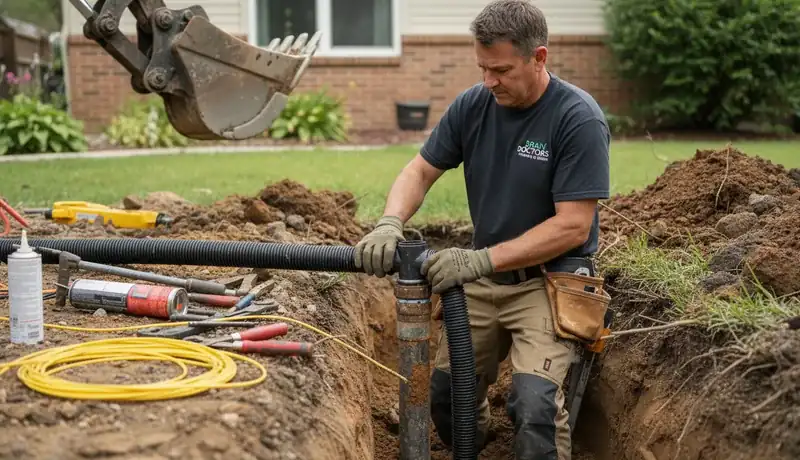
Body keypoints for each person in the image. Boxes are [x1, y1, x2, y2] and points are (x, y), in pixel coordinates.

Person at [353, 0, 611, 459]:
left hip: (549, 281)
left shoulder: (577, 118)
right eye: (483, 68)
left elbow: (573, 226)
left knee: (534, 406)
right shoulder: (474, 105)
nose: (489, 81)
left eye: (502, 70)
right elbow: (420, 171)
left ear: (539, 57)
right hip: (484, 276)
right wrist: (390, 222)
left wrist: (481, 259)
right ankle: (479, 443)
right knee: (446, 397)